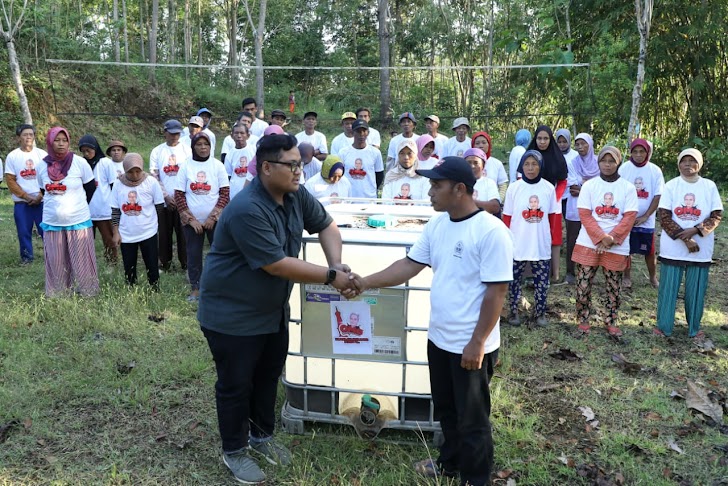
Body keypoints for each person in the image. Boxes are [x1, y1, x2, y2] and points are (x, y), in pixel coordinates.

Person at [196, 133, 354, 485]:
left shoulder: (295, 195)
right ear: (266, 168)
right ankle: (234, 450)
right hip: (232, 315)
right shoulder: (247, 208)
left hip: (270, 311)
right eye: (293, 165)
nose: (300, 171)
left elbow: (326, 225)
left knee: (267, 376)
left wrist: (337, 263)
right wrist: (331, 277)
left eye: (301, 164)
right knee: (237, 384)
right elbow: (277, 264)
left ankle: (261, 437)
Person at [349, 156, 513, 486]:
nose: (430, 192)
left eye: (437, 186)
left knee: (473, 418)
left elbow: (496, 293)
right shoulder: (437, 225)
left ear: (460, 189)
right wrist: (366, 281)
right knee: (447, 410)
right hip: (439, 338)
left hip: (470, 345)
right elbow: (409, 265)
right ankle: (449, 463)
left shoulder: (492, 231)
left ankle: (476, 478)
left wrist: (477, 343)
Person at [654, 149, 723, 340]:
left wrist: (695, 230)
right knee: (668, 288)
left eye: (692, 161)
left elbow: (716, 215)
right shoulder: (671, 186)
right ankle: (664, 326)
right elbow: (664, 216)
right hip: (673, 246)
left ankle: (694, 328)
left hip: (700, 248)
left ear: (699, 164)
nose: (687, 164)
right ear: (678, 164)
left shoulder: (709, 186)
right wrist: (685, 238)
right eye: (683, 161)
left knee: (696, 289)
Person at [571, 146, 638, 337]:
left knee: (613, 286)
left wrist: (612, 239)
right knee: (583, 284)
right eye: (603, 161)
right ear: (598, 162)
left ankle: (611, 320)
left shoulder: (627, 187)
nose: (607, 165)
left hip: (617, 245)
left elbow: (630, 216)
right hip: (589, 242)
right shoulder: (590, 186)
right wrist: (602, 238)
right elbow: (584, 214)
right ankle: (583, 318)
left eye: (611, 161)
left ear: (618, 163)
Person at [37, 127, 99, 297]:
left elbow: (90, 188)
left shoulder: (79, 162)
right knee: (56, 260)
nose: (61, 144)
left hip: (78, 220)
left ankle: (88, 291)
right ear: (50, 142)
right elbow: (43, 190)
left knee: (82, 260)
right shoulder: (41, 166)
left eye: (64, 140)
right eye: (57, 140)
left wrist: (77, 206)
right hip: (52, 222)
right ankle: (58, 293)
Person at [503, 150, 561, 326]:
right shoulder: (514, 187)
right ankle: (514, 312)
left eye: (534, 164)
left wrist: (555, 242)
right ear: (521, 166)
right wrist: (505, 243)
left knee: (542, 283)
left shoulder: (548, 188)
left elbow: (555, 219)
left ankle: (540, 313)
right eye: (526, 164)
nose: (530, 168)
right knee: (513, 281)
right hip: (517, 244)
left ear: (540, 166)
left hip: (540, 244)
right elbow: (506, 218)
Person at [175, 132, 230, 302]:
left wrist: (212, 218)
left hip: (215, 221)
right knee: (193, 254)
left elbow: (224, 193)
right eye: (199, 144)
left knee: (219, 254)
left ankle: (218, 287)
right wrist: (191, 220)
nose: (203, 147)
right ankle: (196, 288)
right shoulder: (186, 166)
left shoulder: (217, 165)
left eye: (206, 144)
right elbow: (178, 194)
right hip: (192, 223)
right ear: (193, 147)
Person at [111, 153, 165, 289]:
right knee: (129, 265)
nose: (135, 175)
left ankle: (155, 289)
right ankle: (131, 289)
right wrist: (116, 232)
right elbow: (116, 210)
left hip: (148, 231)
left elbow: (159, 206)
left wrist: (153, 223)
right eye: (130, 172)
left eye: (137, 171)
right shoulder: (118, 184)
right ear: (125, 170)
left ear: (142, 169)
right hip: (126, 233)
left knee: (151, 263)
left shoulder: (151, 182)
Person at [618, 138, 664, 289]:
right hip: (626, 218)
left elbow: (658, 195)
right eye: (635, 151)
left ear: (647, 152)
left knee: (649, 251)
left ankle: (652, 277)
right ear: (631, 152)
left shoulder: (655, 170)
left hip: (647, 220)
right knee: (626, 248)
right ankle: (626, 276)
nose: (638, 155)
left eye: (642, 151)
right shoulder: (624, 168)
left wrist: (646, 215)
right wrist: (627, 216)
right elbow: (618, 193)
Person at [527, 125, 568, 282]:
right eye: (539, 138)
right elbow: (522, 175)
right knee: (533, 234)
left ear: (550, 139)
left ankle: (555, 274)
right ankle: (530, 274)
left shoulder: (557, 157)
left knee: (555, 238)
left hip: (552, 203)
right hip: (533, 202)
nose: (542, 142)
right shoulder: (530, 154)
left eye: (545, 138)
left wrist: (555, 198)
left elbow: (563, 181)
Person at [149, 119, 191, 272]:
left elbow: (189, 174)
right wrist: (166, 195)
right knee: (164, 232)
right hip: (163, 199)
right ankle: (164, 262)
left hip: (183, 199)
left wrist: (179, 197)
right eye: (171, 133)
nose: (174, 137)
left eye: (177, 134)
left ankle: (186, 262)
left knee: (183, 233)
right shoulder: (157, 151)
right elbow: (155, 175)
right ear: (165, 133)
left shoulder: (187, 150)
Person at [4, 124, 46, 264]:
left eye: (31, 134)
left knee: (46, 230)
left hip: (42, 201)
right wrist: (26, 196)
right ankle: (27, 257)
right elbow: (10, 180)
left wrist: (40, 195)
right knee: (23, 231)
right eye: (25, 134)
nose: (28, 137)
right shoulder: (13, 156)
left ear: (34, 137)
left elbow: (49, 176)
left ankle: (51, 255)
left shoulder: (42, 155)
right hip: (22, 202)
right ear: (18, 138)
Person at [564, 133, 600, 284]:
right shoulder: (572, 162)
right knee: (572, 238)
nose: (580, 147)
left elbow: (601, 185)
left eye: (583, 143)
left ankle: (589, 270)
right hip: (575, 206)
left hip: (594, 207)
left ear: (590, 144)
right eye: (577, 144)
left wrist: (583, 186)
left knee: (593, 239)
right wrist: (590, 186)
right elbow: (572, 186)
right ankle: (570, 272)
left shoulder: (599, 161)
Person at [77, 135, 118, 264]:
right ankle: (87, 264)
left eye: (88, 150)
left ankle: (111, 262)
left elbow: (113, 185)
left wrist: (115, 206)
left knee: (109, 239)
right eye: (83, 151)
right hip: (86, 209)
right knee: (86, 241)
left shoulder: (105, 163)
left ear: (95, 148)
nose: (86, 153)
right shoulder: (81, 163)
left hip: (104, 209)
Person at [340, 119, 384, 198]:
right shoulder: (343, 152)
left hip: (369, 199)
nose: (362, 134)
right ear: (353, 132)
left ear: (368, 133)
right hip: (349, 198)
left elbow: (379, 175)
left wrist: (371, 189)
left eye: (364, 131)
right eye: (358, 131)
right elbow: (340, 175)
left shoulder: (375, 153)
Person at [471, 131, 508, 201]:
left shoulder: (497, 163)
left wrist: (497, 201)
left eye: (484, 142)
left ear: (489, 145)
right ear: (473, 145)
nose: (481, 145)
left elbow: (503, 186)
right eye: (477, 143)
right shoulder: (468, 164)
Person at [464, 148, 501, 216]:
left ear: (483, 166)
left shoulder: (489, 183)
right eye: (469, 162)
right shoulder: (458, 182)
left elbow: (495, 207)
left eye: (476, 163)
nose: (472, 166)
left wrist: (468, 202)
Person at [224, 122, 256, 199]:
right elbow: (228, 176)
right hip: (235, 193)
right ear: (232, 136)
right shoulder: (229, 154)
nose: (239, 136)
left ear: (248, 135)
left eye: (242, 133)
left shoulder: (254, 150)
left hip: (252, 192)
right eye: (236, 133)